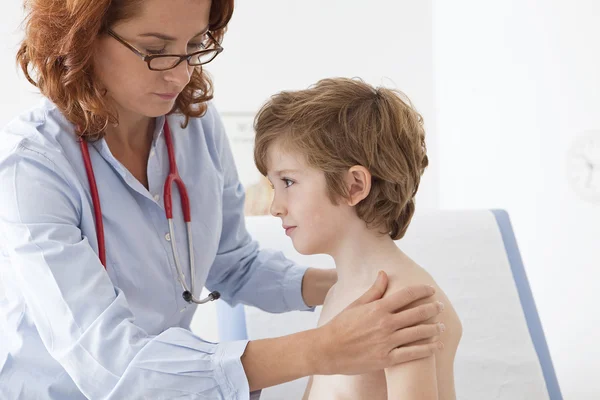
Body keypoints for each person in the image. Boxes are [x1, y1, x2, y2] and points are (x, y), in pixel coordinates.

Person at [0, 1, 446, 399]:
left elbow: (231, 262)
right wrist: (325, 348)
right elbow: (114, 368)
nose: (180, 74)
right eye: (156, 49)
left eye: (195, 45)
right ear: (81, 37)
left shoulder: (192, 123)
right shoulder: (32, 167)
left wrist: (352, 280)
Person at [254, 77, 463, 399]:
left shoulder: (403, 300)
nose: (276, 207)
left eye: (288, 182)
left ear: (354, 186)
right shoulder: (343, 291)